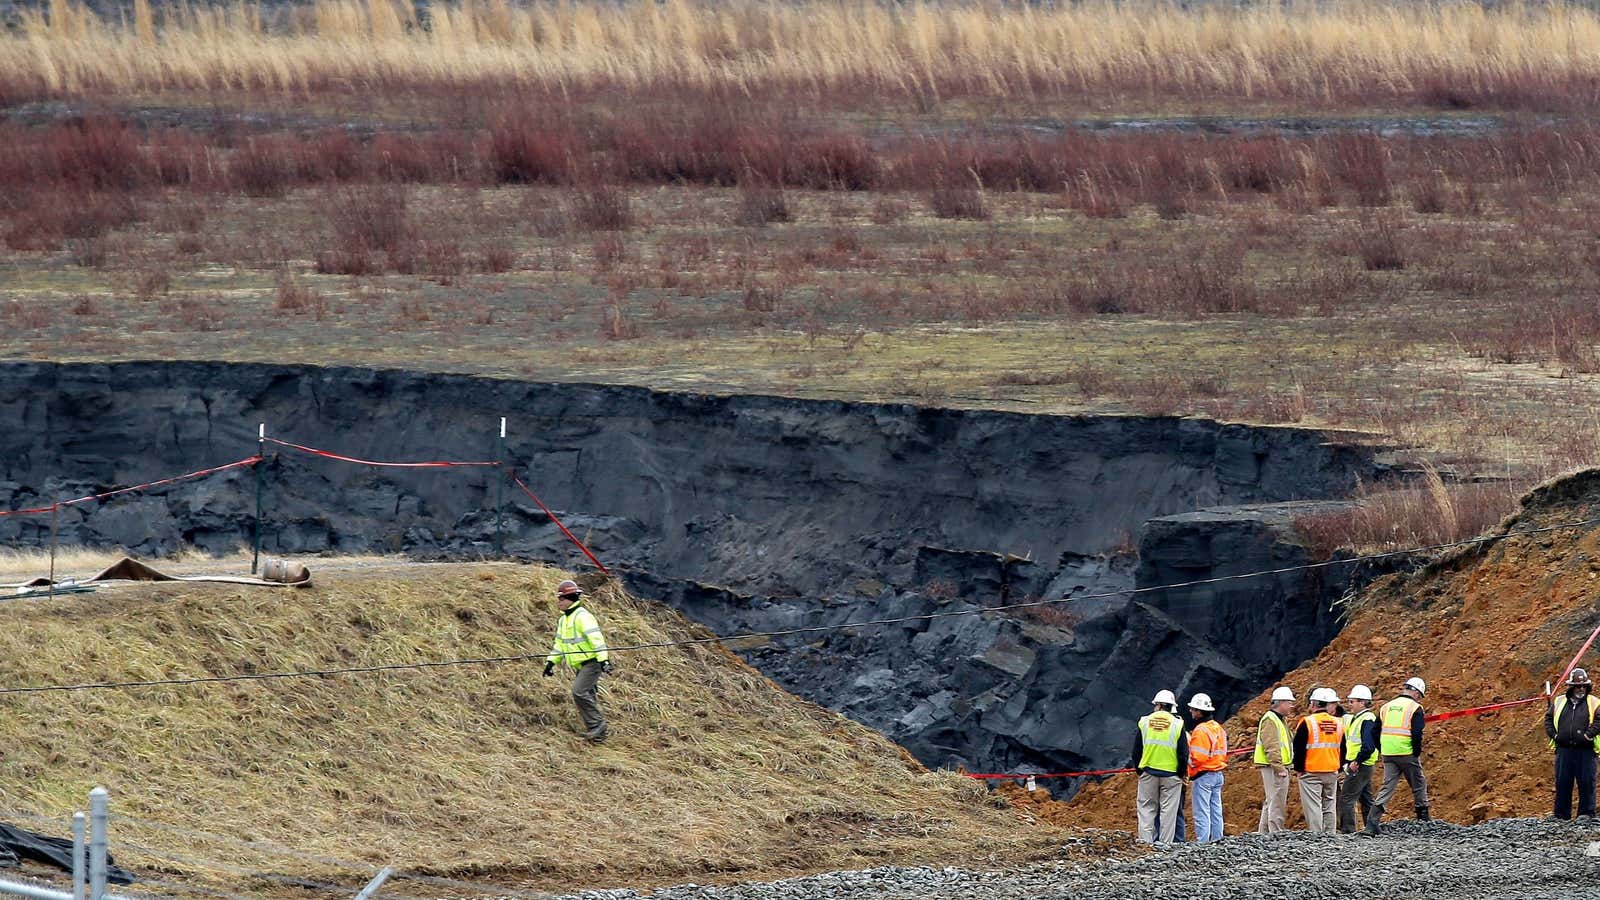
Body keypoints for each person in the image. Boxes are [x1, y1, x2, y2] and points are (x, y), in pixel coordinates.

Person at [543, 579, 613, 742]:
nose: (558, 602)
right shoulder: (564, 620)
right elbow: (560, 644)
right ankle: (597, 735)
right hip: (580, 665)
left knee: (578, 692)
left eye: (561, 599)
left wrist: (604, 661)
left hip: (591, 663)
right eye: (558, 598)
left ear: (571, 598)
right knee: (588, 694)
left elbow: (597, 639)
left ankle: (597, 725)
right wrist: (551, 662)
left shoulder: (583, 617)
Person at [1365, 676, 1429, 835]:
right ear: (1414, 692)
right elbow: (1416, 733)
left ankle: (1372, 823)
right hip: (1406, 752)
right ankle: (1424, 819)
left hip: (1388, 753)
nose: (1419, 698)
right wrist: (1416, 751)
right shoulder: (1415, 708)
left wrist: (1382, 748)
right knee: (1418, 783)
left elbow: (1375, 731)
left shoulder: (1386, 707)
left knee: (1387, 786)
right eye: (1419, 695)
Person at [1133, 689, 1189, 844]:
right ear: (1171, 707)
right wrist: (1181, 773)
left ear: (1157, 705)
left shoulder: (1144, 721)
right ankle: (1165, 847)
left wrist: (1139, 770)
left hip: (1148, 773)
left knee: (1146, 809)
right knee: (1168, 812)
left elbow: (1137, 750)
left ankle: (1145, 844)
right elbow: (1183, 753)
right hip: (1171, 775)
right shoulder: (1178, 724)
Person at [1546, 668, 1600, 820]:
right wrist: (1555, 736)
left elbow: (1599, 721)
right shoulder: (1559, 701)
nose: (1581, 689)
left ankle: (1586, 813)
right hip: (1564, 750)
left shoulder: (1594, 702)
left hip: (1586, 751)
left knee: (1586, 782)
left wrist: (1588, 735)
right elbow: (1548, 720)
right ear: (1571, 687)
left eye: (1583, 686)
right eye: (1577, 686)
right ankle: (1561, 815)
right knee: (1563, 782)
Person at [1293, 687, 1345, 834]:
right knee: (1329, 804)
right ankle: (1330, 834)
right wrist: (1338, 767)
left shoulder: (1307, 722)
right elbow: (1343, 748)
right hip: (1331, 770)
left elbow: (1299, 748)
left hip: (1311, 771)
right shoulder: (1338, 723)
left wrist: (1298, 769)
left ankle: (1317, 836)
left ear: (1314, 704)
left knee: (1314, 805)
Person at [1338, 684, 1380, 834]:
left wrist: (1356, 762)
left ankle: (1348, 831)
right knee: (1366, 798)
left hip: (1360, 765)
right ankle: (1372, 827)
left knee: (1347, 799)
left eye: (1352, 701)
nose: (1349, 705)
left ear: (1362, 702)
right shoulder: (1360, 718)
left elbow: (1368, 746)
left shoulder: (1366, 719)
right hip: (1364, 764)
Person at [1187, 692, 1227, 843]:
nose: (1191, 711)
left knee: (1202, 811)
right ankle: (1217, 839)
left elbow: (1197, 758)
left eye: (1193, 709)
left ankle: (1203, 843)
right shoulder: (1218, 728)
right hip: (1217, 773)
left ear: (1200, 711)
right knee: (1216, 810)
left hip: (1204, 776)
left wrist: (1185, 765)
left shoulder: (1201, 730)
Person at [1255, 685, 1295, 834]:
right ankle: (1276, 831)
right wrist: (1279, 767)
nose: (1291, 706)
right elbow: (1271, 745)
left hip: (1276, 765)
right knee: (1277, 800)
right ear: (1281, 702)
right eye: (1289, 703)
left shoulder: (1279, 719)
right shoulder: (1271, 719)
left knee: (1271, 799)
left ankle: (1264, 832)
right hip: (1273, 767)